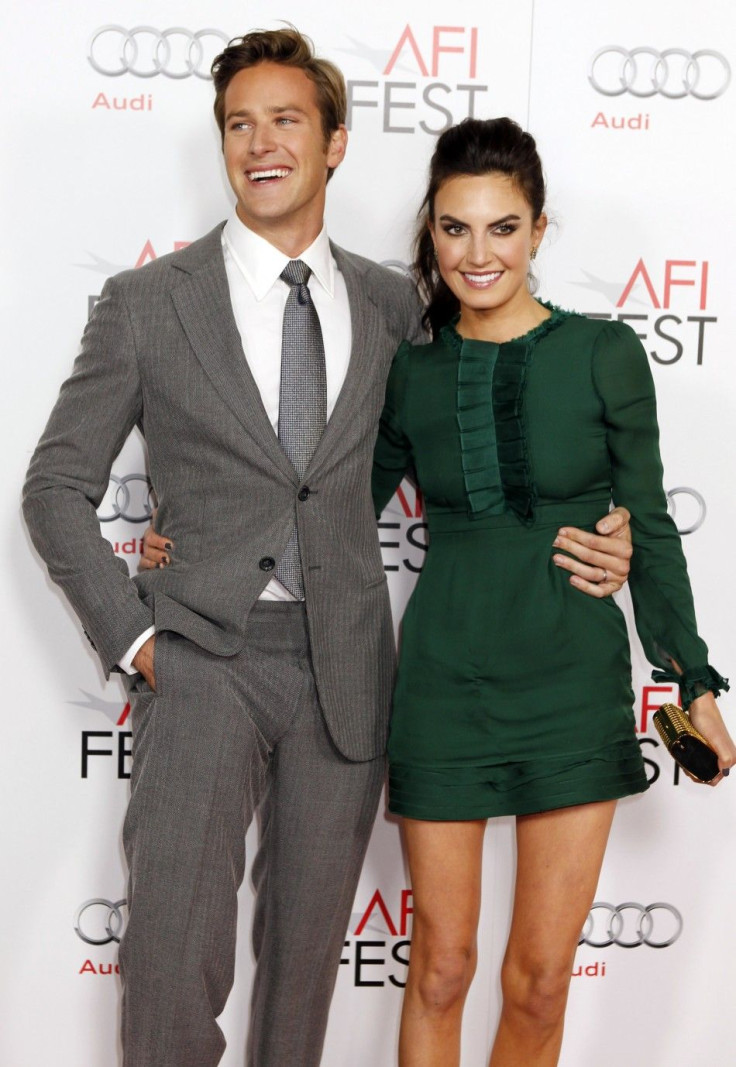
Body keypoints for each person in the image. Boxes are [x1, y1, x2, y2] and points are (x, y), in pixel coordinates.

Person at [24, 27, 634, 1067]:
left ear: (337, 140)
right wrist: (136, 637)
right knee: (172, 959)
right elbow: (54, 485)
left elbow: (466, 438)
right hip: (201, 656)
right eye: (238, 124)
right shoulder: (145, 303)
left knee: (304, 968)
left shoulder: (399, 304)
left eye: (286, 119)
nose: (260, 143)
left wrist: (599, 525)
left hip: (347, 666)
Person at [369, 118, 736, 1067]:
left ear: (538, 230)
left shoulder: (605, 353)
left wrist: (691, 678)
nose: (478, 252)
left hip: (572, 683)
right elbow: (326, 513)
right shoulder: (409, 372)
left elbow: (647, 523)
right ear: (432, 233)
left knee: (537, 979)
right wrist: (189, 544)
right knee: (441, 968)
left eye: (502, 227)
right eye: (455, 229)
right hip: (444, 685)